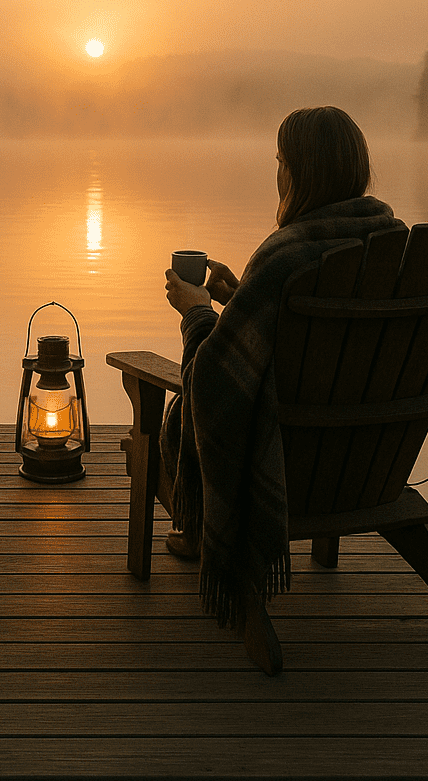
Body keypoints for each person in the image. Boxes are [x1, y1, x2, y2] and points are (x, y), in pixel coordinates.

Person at [155, 106, 402, 627]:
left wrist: (198, 310)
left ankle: (199, 529)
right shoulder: (390, 245)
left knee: (177, 408)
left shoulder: (286, 255)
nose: (277, 173)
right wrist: (241, 297)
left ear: (297, 173)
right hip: (367, 466)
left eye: (280, 161)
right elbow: (318, 344)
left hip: (283, 467)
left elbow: (215, 382)